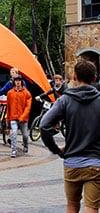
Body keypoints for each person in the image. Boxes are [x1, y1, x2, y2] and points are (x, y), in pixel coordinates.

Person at [40, 60, 100, 213]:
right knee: (92, 207)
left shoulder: (65, 100)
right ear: (94, 78)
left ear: (74, 76)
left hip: (72, 162)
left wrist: (56, 150)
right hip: (95, 163)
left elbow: (44, 125)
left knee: (72, 205)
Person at [6, 76, 32, 158]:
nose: (17, 82)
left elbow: (28, 107)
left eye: (19, 81)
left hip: (23, 119)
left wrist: (23, 117)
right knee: (14, 133)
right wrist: (7, 118)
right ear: (14, 82)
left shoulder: (27, 93)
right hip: (13, 117)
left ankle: (25, 145)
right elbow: (8, 106)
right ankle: (13, 150)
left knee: (25, 135)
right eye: (16, 81)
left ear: (21, 82)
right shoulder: (10, 93)